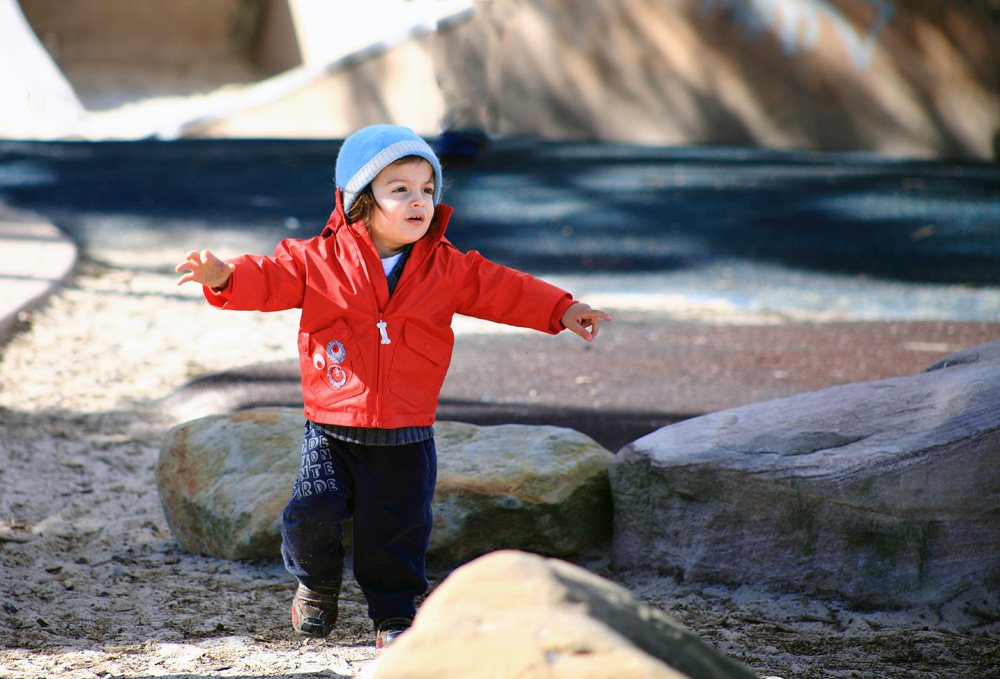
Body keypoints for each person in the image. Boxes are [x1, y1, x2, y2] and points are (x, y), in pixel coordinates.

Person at [174, 124, 611, 649]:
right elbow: (268, 277)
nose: (418, 200)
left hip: (407, 431)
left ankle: (394, 614)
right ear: (360, 200)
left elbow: (503, 288)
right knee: (311, 513)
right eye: (399, 189)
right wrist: (224, 276)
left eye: (427, 189)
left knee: (397, 531)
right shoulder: (317, 260)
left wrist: (561, 308)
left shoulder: (445, 265)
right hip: (333, 427)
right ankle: (316, 585)